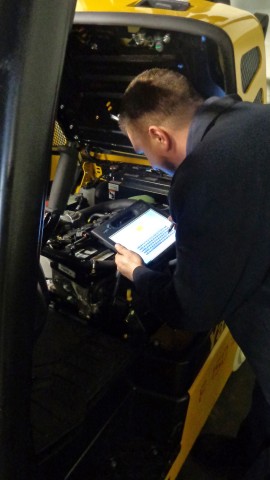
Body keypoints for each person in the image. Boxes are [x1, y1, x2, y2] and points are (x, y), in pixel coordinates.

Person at [114, 67, 270, 479]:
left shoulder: (203, 172)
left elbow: (193, 310)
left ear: (159, 136)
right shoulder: (256, 118)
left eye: (141, 148)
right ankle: (245, 451)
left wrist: (138, 274)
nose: (147, 159)